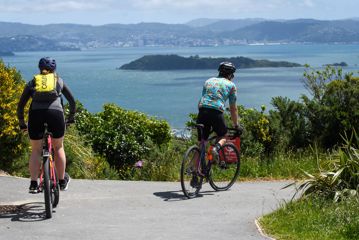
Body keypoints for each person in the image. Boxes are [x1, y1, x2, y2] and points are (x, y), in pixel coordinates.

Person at [17, 57, 76, 193]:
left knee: (36, 150)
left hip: (36, 115)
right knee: (58, 146)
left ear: (39, 68)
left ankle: (33, 183)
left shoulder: (33, 82)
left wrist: (22, 123)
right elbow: (72, 101)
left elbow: (21, 105)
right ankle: (61, 181)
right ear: (54, 69)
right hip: (55, 114)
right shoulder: (58, 80)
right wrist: (71, 117)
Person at [197, 61, 241, 161]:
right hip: (216, 112)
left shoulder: (208, 81)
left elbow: (201, 101)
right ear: (230, 74)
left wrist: (202, 114)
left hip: (202, 111)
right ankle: (215, 149)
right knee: (223, 136)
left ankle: (193, 169)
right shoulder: (231, 85)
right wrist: (236, 125)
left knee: (202, 143)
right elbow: (233, 108)